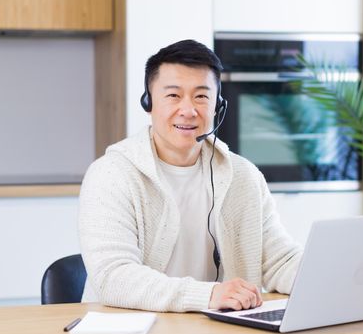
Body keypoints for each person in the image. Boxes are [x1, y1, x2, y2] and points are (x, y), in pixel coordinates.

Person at [78, 39, 303, 312]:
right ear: (148, 102)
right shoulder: (111, 175)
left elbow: (279, 261)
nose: (188, 110)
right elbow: (114, 278)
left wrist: (329, 276)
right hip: (133, 329)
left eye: (201, 96)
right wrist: (208, 295)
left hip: (218, 330)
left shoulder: (244, 176)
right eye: (173, 95)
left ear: (217, 106)